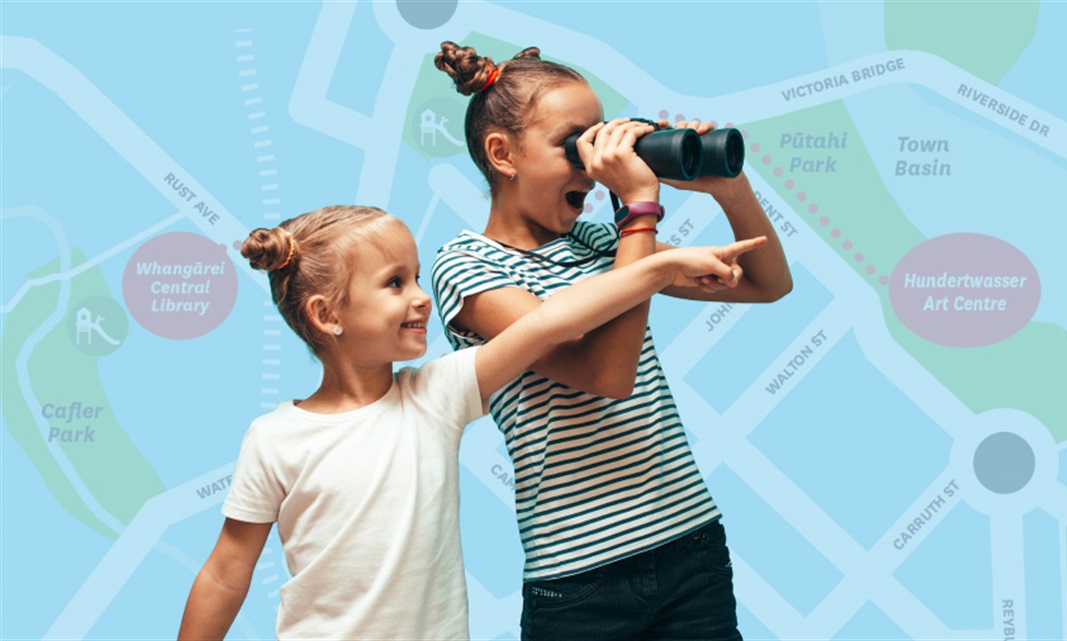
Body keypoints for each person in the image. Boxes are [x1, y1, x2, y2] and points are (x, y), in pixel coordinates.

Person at [175, 204, 765, 640]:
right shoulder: (275, 438)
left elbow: (548, 324)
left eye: (416, 276)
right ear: (327, 314)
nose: (422, 296)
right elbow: (226, 573)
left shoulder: (437, 393)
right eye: (395, 283)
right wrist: (657, 267)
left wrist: (657, 267)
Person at [432, 42, 794, 640]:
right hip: (579, 573)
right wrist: (639, 210)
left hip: (689, 539)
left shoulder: (602, 244)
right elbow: (606, 375)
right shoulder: (469, 267)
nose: (592, 166)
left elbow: (766, 284)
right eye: (574, 145)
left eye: (600, 141)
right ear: (502, 154)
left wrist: (728, 188)